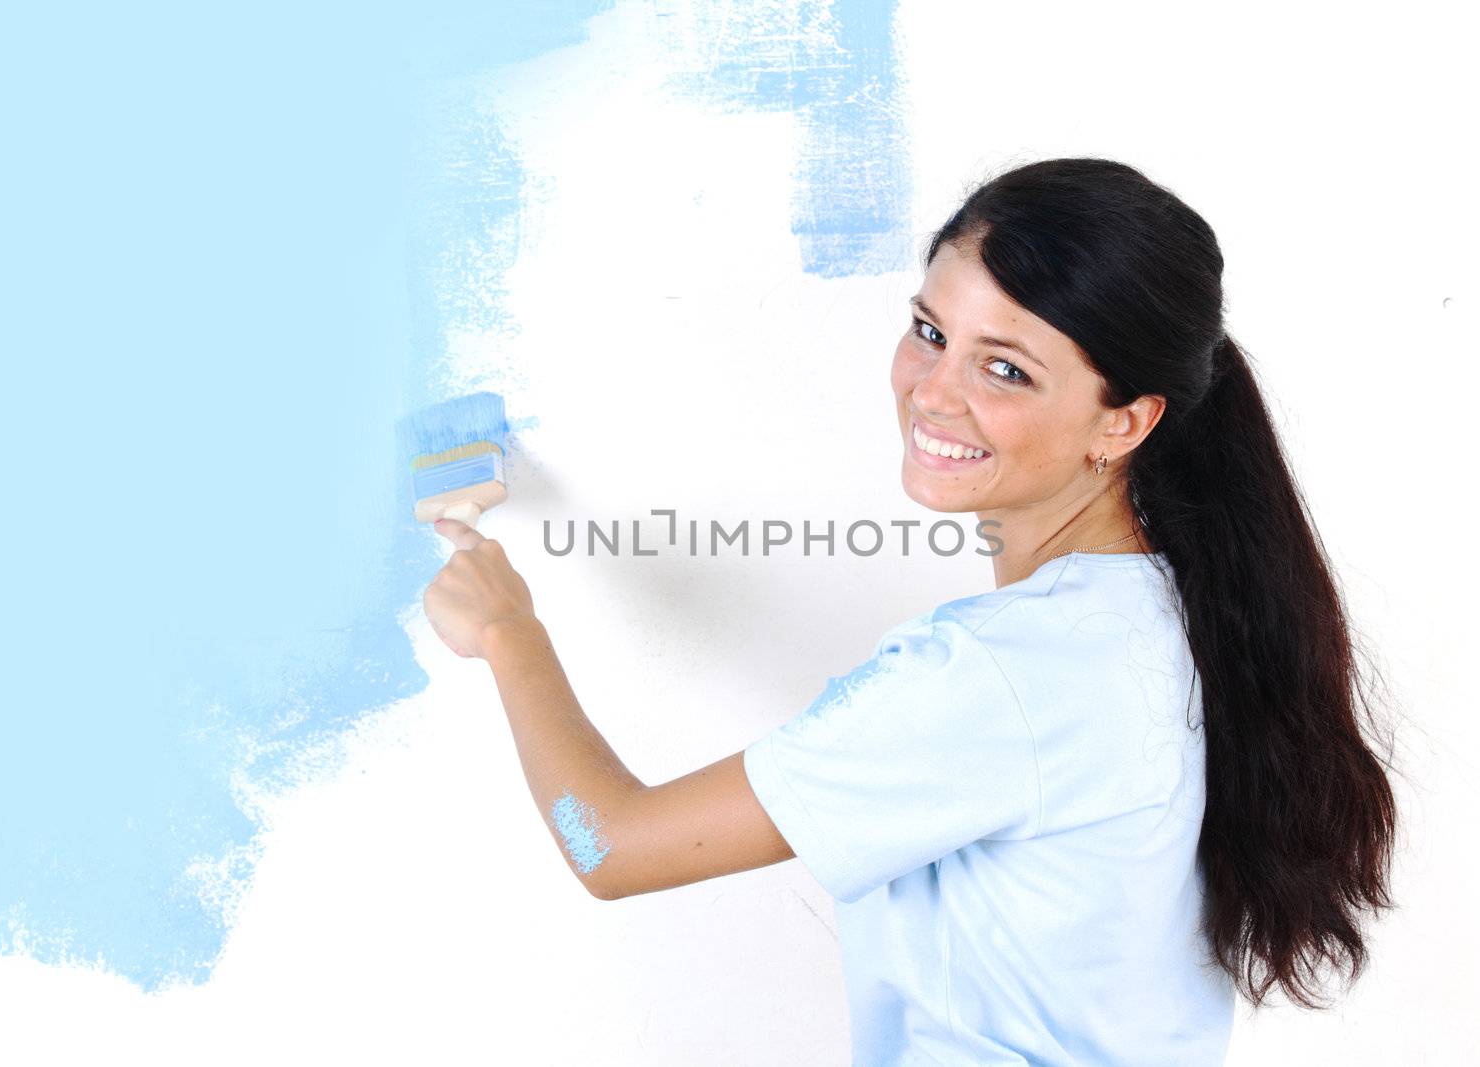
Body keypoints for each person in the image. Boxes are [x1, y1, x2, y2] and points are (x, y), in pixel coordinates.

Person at [422, 157, 1398, 1065]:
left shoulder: (997, 672)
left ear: (1124, 419)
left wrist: (510, 632)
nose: (933, 392)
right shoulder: (1174, 616)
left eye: (1004, 368)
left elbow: (612, 844)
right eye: (931, 332)